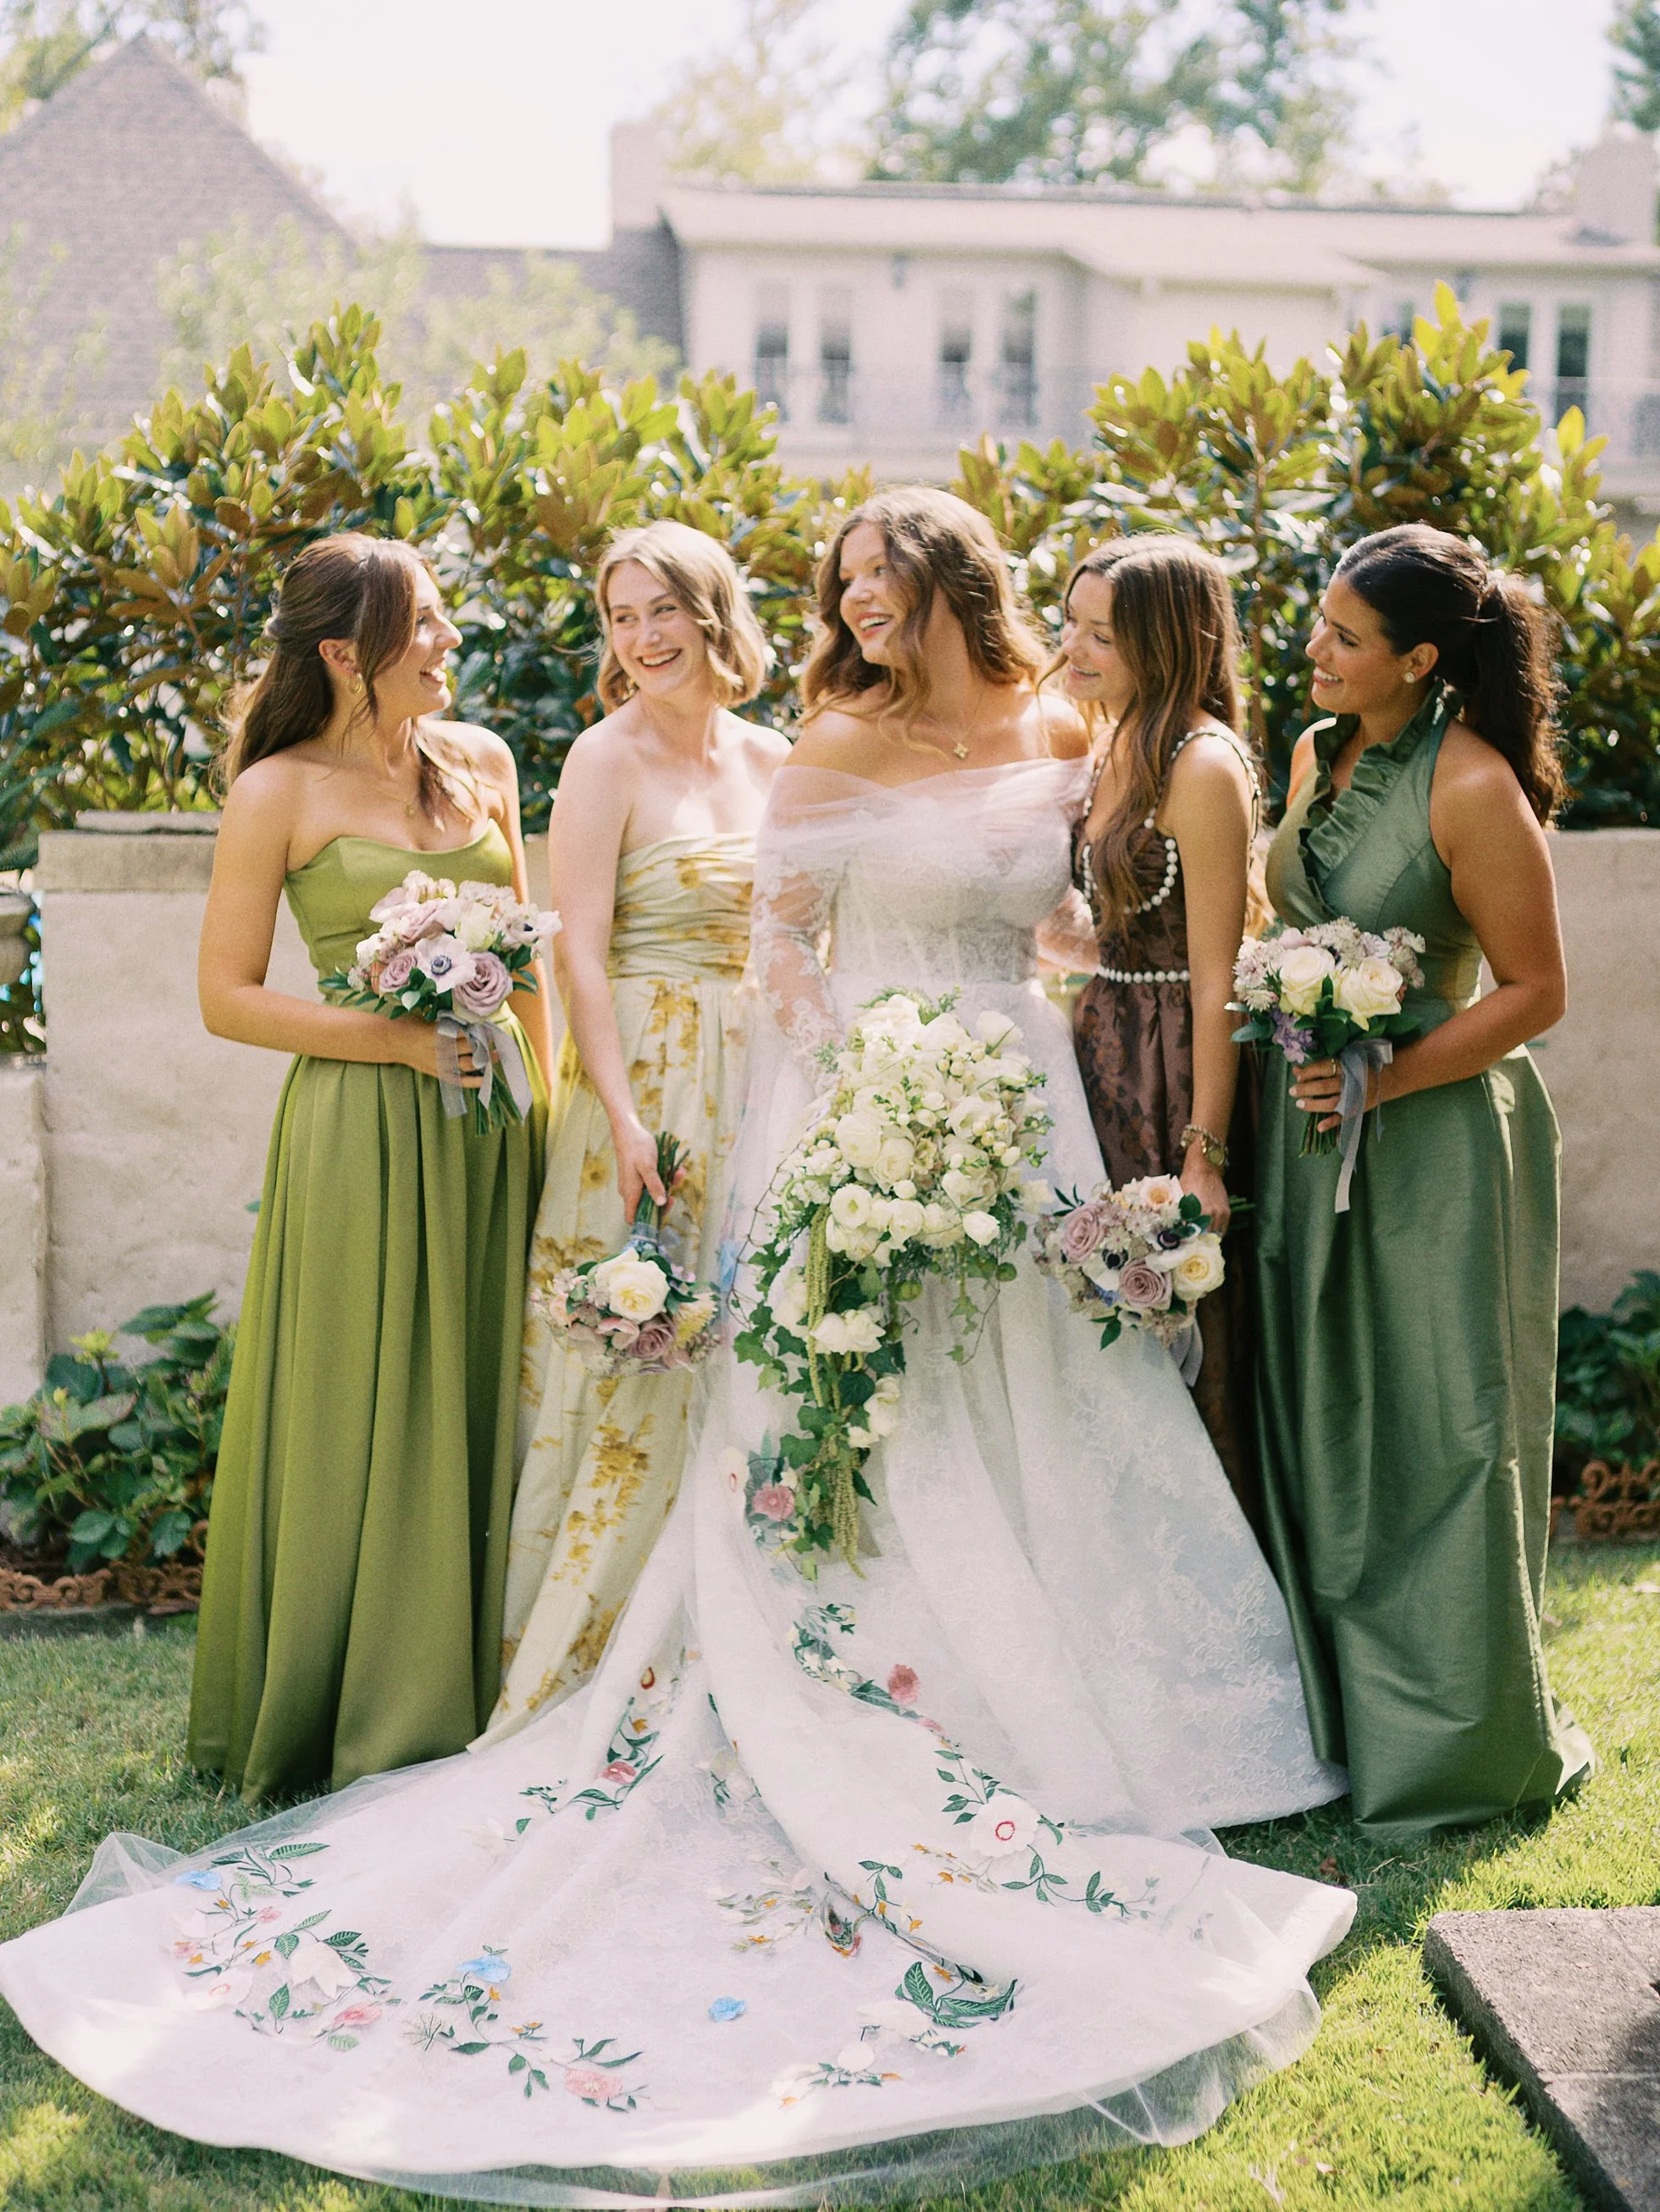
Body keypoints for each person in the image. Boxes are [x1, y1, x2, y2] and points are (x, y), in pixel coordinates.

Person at [0, 491, 1352, 2204]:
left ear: (947, 579)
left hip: (1026, 1103)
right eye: (839, 584)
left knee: (1051, 1405)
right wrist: (854, 1085)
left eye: (879, 579)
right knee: (874, 1414)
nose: (855, 607)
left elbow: (1095, 904)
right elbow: (766, 945)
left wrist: (1136, 979)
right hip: (871, 1095)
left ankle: (1103, 1710)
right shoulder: (822, 742)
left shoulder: (1060, 725)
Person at [186, 532, 551, 1802]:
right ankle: (364, 1698)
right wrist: (395, 1043)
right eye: (428, 626)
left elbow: (536, 960)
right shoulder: (274, 790)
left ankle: (510, 1675)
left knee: (495, 1381)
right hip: (362, 1128)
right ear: (347, 653)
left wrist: (546, 1110)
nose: (451, 642)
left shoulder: (485, 763)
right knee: (371, 1389)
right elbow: (225, 997)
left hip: (499, 1122)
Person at [1254, 520, 1596, 1839]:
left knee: (1444, 1432)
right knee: (1325, 1422)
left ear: (1421, 657)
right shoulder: (1310, 753)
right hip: (1311, 1136)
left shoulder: (1470, 784)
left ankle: (1458, 1736)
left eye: (1344, 636)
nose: (1316, 651)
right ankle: (1334, 1721)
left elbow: (1538, 990)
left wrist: (1388, 1079)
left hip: (1441, 1140)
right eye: (1320, 625)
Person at [481, 520, 787, 1743]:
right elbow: (582, 958)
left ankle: (736, 1639)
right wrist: (619, 1112)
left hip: (760, 1069)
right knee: (632, 1352)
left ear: (712, 613)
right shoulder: (603, 758)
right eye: (620, 615)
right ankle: (592, 1647)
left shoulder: (778, 757)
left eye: (663, 607)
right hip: (644, 1073)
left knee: (739, 1352)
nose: (643, 635)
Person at [1059, 535, 1264, 1531]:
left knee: (1181, 1327)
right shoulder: (1109, 740)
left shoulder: (1201, 762)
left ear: (1167, 640)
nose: (1076, 648)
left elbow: (1220, 972)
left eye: (1103, 633)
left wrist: (1204, 1155)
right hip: (1100, 1047)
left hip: (1175, 1059)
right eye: (1071, 624)